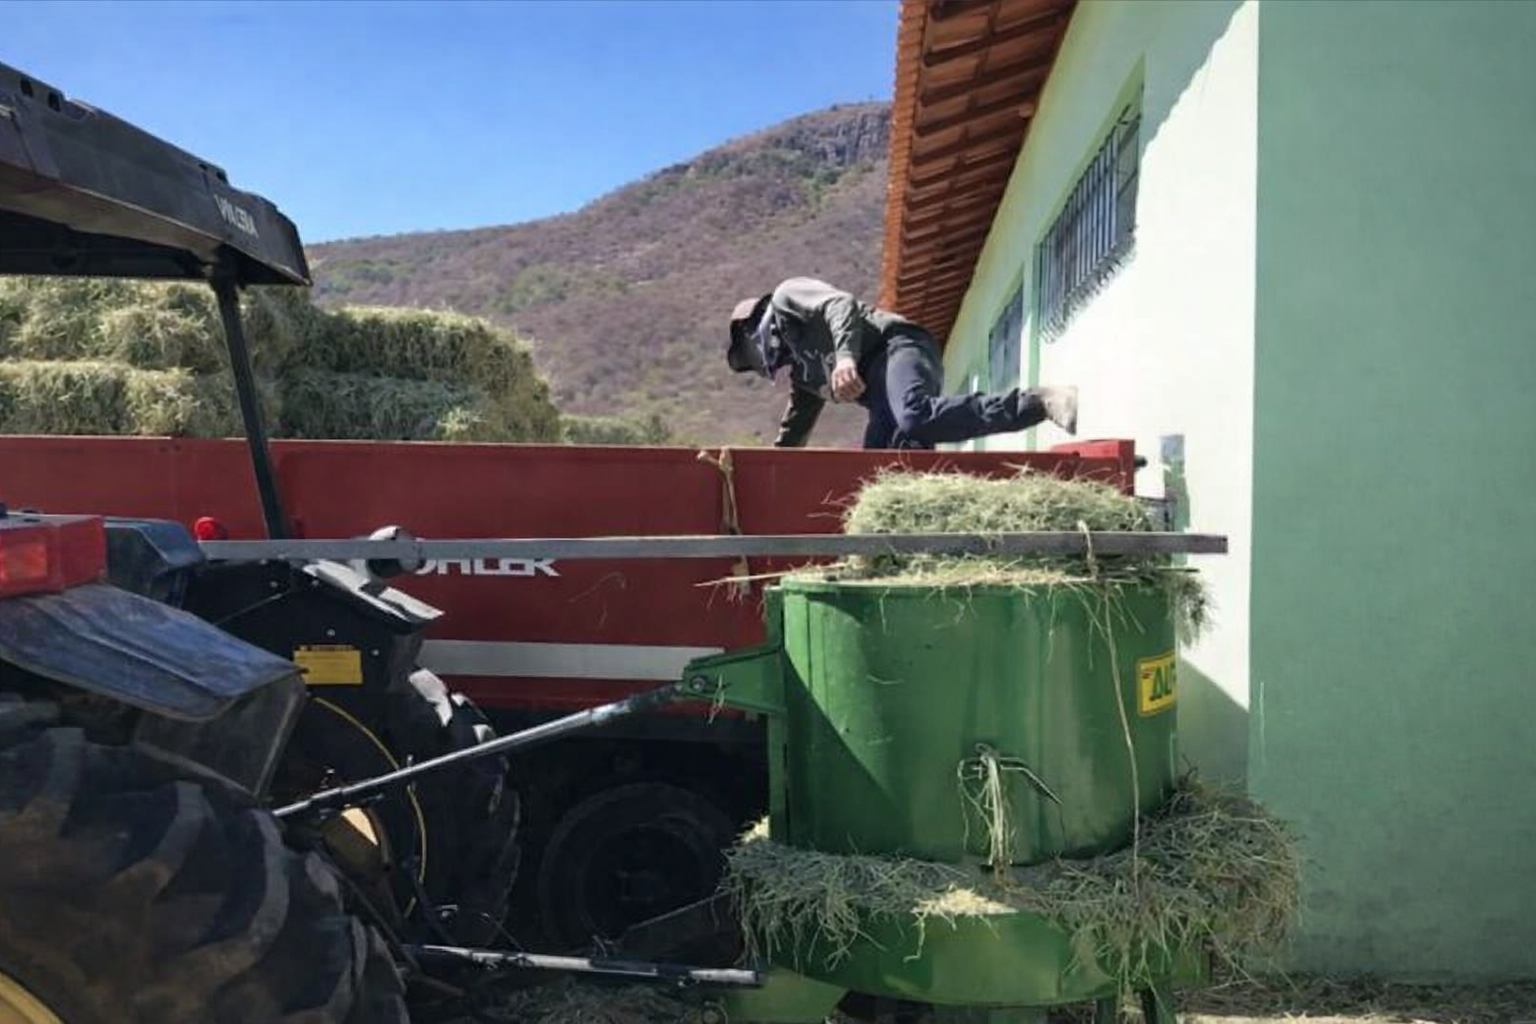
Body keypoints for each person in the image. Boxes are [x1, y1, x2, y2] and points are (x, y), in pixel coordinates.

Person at [727, 277, 1078, 449]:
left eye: (753, 355)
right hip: (880, 398)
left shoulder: (789, 296)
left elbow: (840, 305)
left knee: (914, 417)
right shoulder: (804, 376)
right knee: (878, 467)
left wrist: (846, 356)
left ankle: (1037, 401)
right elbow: (794, 431)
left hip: (897, 346)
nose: (761, 365)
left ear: (755, 329)